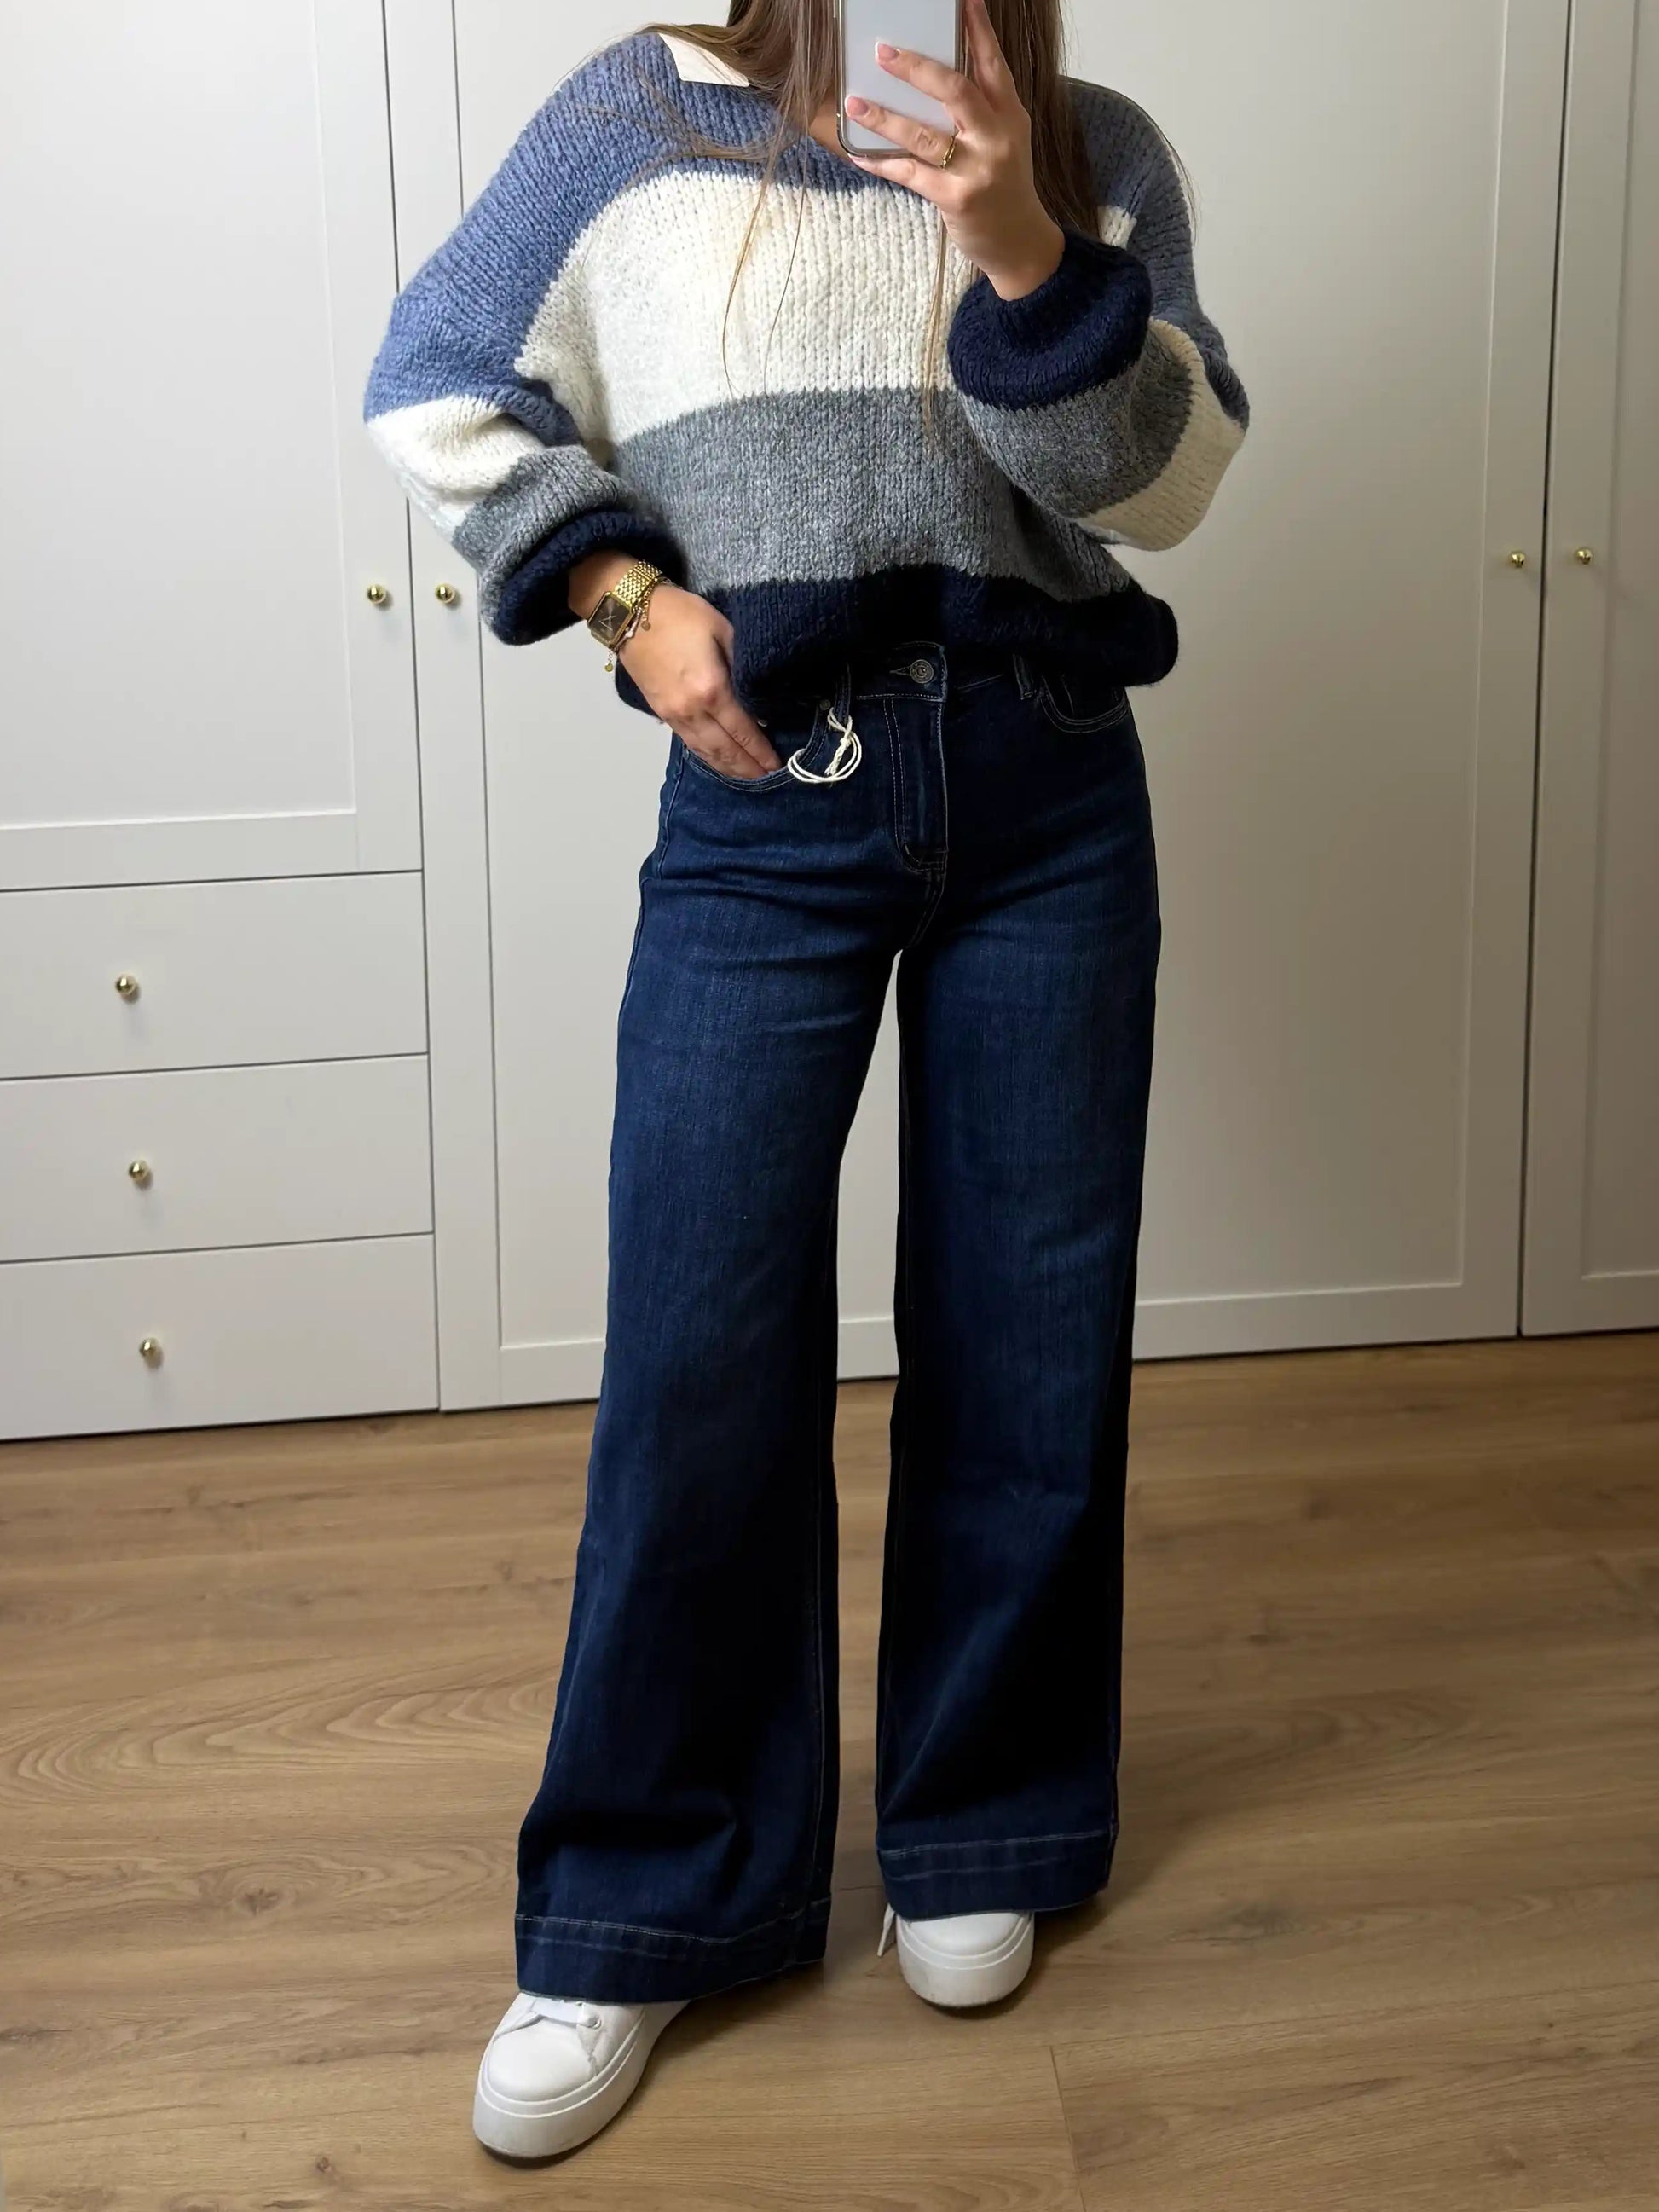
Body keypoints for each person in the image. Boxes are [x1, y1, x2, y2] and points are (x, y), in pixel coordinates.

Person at [364, 0, 1246, 2161]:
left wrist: (1022, 237)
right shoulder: (638, 114)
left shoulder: (1095, 142)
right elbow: (438, 375)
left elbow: (1174, 480)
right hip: (774, 796)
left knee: (1028, 1334)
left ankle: (984, 1821)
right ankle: (640, 1902)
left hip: (1051, 787)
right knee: (702, 1345)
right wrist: (624, 594)